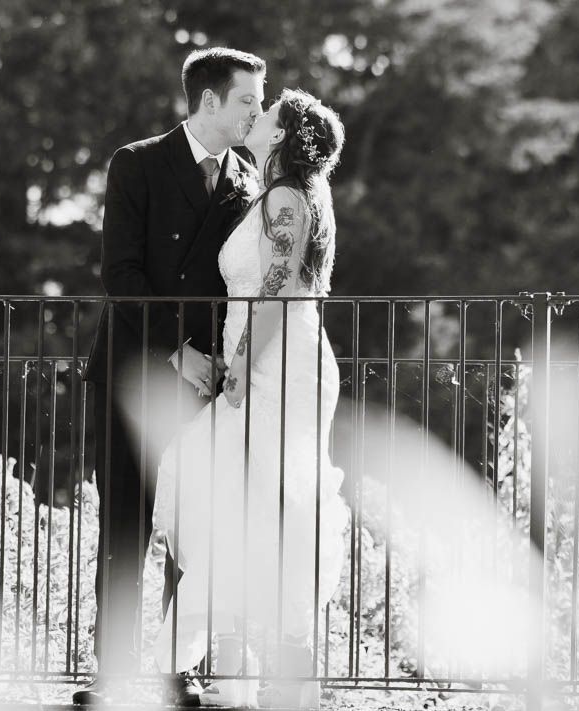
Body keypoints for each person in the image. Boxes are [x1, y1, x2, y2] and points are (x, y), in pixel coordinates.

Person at [79, 46, 266, 707]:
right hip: (135, 372)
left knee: (195, 530)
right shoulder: (136, 163)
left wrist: (229, 364)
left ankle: (176, 668)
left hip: (206, 386)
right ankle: (113, 673)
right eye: (247, 99)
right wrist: (178, 351)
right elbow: (119, 274)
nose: (257, 111)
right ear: (209, 101)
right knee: (124, 527)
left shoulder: (249, 180)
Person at [150, 88, 350, 709]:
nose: (254, 118)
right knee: (238, 507)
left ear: (284, 135)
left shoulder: (287, 197)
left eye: (266, 114)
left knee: (262, 507)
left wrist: (237, 365)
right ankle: (247, 666)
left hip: (278, 368)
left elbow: (279, 285)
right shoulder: (275, 196)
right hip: (263, 361)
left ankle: (227, 664)